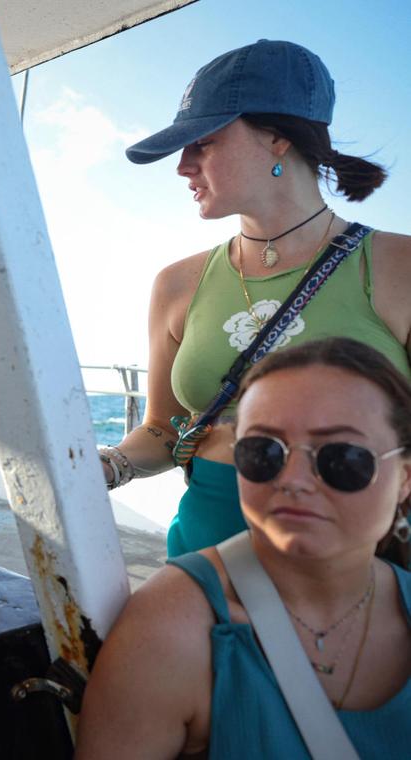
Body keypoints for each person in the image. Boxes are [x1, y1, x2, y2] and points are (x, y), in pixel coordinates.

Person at [99, 39, 411, 557]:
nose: (182, 166)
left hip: (356, 573)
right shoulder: (176, 284)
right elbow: (163, 430)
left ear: (277, 137)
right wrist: (107, 467)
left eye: (203, 142)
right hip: (203, 564)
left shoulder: (398, 267)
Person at [76, 337, 411, 759]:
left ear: (405, 478)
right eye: (263, 451)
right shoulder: (171, 632)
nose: (293, 480)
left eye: (341, 456)